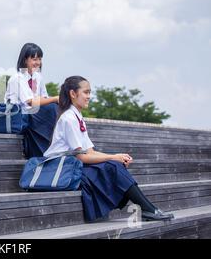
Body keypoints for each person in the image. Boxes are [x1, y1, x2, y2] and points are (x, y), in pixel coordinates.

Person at [43, 76, 174, 222]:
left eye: (89, 92)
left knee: (114, 165)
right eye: (86, 92)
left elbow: (90, 152)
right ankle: (149, 210)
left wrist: (117, 156)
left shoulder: (77, 116)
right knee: (113, 166)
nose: (89, 97)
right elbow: (83, 157)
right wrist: (113, 158)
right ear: (73, 94)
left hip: (72, 166)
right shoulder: (69, 118)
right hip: (61, 171)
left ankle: (148, 209)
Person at [4, 43, 59, 158]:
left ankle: (56, 144)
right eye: (34, 59)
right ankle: (49, 149)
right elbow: (30, 102)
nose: (38, 62)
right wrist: (55, 98)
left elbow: (44, 98)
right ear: (25, 60)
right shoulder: (17, 78)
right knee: (52, 107)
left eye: (39, 59)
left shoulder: (37, 77)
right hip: (18, 116)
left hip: (33, 114)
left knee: (55, 108)